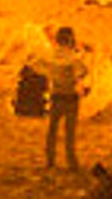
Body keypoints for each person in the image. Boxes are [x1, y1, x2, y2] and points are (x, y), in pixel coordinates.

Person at [38, 26, 89, 170]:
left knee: (52, 130)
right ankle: (71, 161)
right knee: (69, 133)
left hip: (56, 96)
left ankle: (50, 160)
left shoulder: (50, 55)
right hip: (70, 97)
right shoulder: (73, 57)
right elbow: (83, 71)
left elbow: (41, 66)